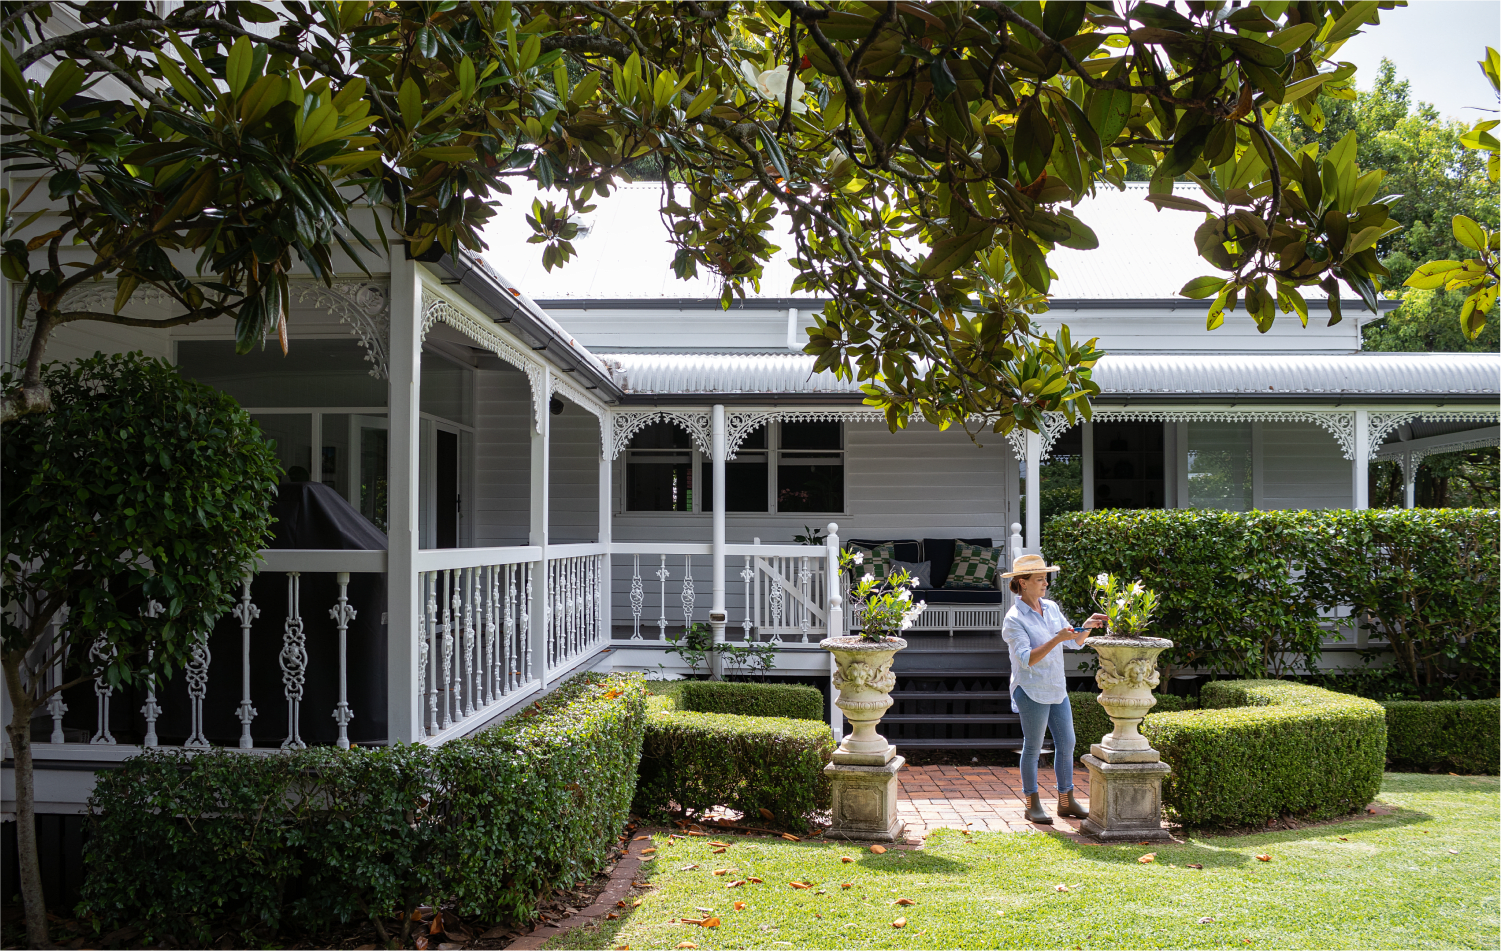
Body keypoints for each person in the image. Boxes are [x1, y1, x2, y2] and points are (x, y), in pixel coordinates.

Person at [1000, 553, 1107, 825]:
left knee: (1067, 742)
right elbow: (1027, 658)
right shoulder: (1013, 619)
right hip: (1031, 688)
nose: (1045, 583)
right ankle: (1031, 803)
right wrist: (1056, 638)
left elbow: (1073, 642)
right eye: (1039, 579)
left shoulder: (1050, 608)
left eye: (1045, 578)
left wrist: (1087, 626)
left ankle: (1065, 801)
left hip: (1056, 687)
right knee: (1033, 748)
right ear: (1022, 583)